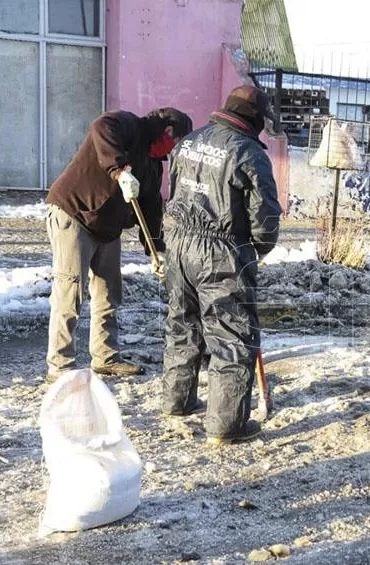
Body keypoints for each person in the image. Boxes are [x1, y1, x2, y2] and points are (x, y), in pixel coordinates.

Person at [160, 85, 282, 446]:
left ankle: (177, 402)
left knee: (182, 322)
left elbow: (173, 189)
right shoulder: (249, 153)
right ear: (256, 119)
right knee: (231, 335)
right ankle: (227, 426)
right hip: (221, 251)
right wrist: (256, 250)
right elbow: (265, 218)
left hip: (179, 244)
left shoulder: (190, 141)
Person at [45, 107, 193, 382]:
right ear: (168, 132)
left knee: (109, 292)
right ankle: (60, 366)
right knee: (71, 289)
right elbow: (101, 127)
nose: (173, 152)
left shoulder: (152, 166)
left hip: (107, 227)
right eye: (176, 144)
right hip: (75, 213)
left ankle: (105, 357)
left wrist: (156, 251)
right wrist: (120, 170)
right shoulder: (128, 125)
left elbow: (151, 211)